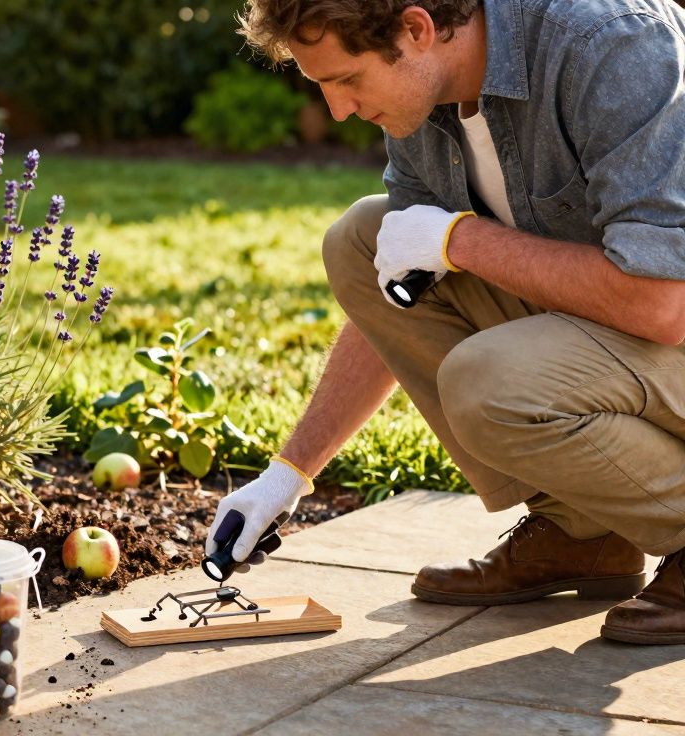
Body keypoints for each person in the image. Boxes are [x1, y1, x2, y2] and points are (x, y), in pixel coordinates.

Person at [206, 0, 685, 645]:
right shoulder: (422, 96)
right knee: (363, 239)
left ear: (417, 29)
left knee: (488, 380)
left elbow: (663, 302)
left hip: (670, 319)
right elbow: (403, 290)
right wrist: (287, 476)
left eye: (346, 79)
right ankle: (583, 531)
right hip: (636, 336)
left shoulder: (612, 44)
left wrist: (460, 240)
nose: (338, 110)